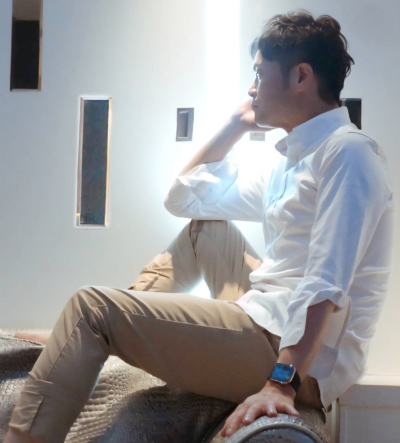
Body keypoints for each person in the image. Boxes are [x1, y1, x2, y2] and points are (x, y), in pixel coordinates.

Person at [5, 9, 395, 443]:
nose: (251, 89)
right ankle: (99, 335)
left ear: (301, 76)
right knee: (205, 230)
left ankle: (88, 337)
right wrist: (234, 125)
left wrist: (281, 382)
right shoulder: (292, 161)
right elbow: (184, 199)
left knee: (90, 307)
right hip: (269, 316)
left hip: (298, 355)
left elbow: (325, 284)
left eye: (259, 74)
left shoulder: (348, 154)